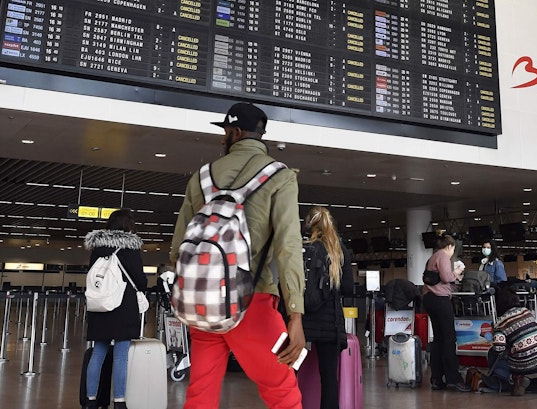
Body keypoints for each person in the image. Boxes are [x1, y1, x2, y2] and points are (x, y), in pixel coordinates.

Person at [170, 102, 306, 409]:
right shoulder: (280, 176)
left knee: (200, 394)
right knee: (282, 391)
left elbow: (178, 247)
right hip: (252, 300)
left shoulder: (202, 176)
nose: (223, 139)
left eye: (226, 132)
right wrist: (295, 315)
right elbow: (288, 247)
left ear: (236, 132)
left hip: (203, 303)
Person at [84, 208, 148, 409]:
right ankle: (119, 401)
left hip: (100, 304)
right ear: (128, 226)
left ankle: (90, 400)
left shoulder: (97, 248)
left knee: (98, 353)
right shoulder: (130, 248)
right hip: (123, 306)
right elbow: (140, 281)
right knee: (121, 356)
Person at [301, 206, 354, 409]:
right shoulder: (339, 250)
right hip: (330, 323)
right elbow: (348, 288)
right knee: (329, 377)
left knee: (290, 372)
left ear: (309, 225)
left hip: (302, 322)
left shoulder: (302, 248)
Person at [471, 285, 537, 395]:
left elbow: (499, 347)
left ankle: (518, 383)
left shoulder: (501, 322)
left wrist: (506, 349)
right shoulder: (526, 312)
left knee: (496, 353)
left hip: (523, 362)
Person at [422, 233, 471, 392]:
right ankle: (453, 379)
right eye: (453, 249)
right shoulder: (443, 256)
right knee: (449, 339)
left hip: (429, 298)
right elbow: (446, 277)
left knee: (438, 339)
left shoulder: (432, 257)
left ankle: (436, 378)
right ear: (450, 246)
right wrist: (456, 272)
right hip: (440, 300)